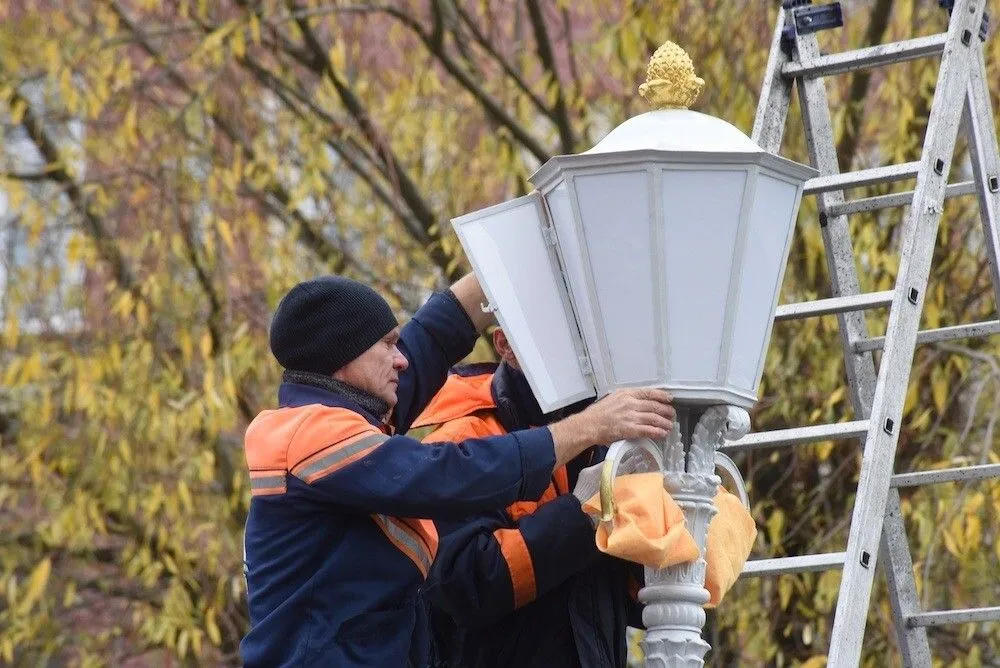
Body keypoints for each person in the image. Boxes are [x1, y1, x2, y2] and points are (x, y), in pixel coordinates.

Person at [240, 274, 676, 668]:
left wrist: (509, 252)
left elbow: (429, 339)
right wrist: (590, 430)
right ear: (343, 357)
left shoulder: (345, 423)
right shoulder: (310, 433)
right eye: (387, 345)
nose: (402, 361)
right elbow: (446, 474)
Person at [413, 328, 658, 667]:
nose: (578, 359)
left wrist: (670, 527)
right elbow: (466, 583)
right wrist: (580, 516)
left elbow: (634, 605)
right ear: (504, 344)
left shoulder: (610, 447)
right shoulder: (461, 442)